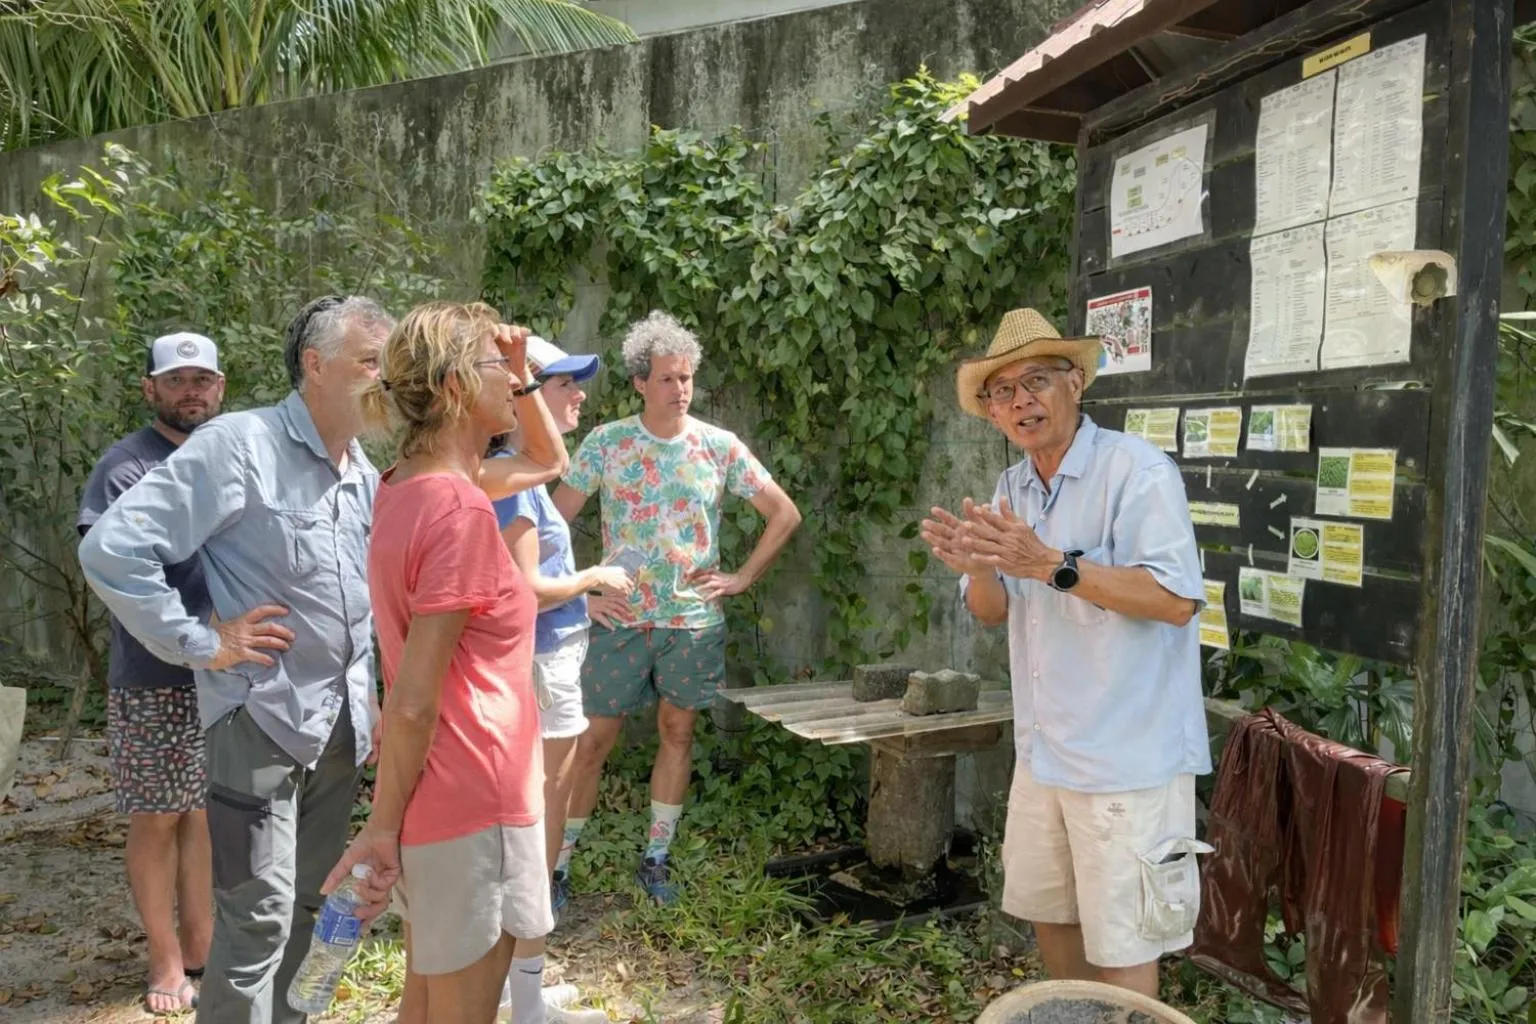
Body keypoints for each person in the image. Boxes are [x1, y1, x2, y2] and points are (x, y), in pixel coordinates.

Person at [79, 295, 397, 1023]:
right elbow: (113, 548)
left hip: (340, 728)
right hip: (259, 716)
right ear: (315, 366)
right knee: (256, 918)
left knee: (313, 906)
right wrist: (201, 642)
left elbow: (357, 599)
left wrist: (370, 693)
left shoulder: (362, 468)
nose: (386, 378)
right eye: (370, 362)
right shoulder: (238, 445)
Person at [919, 307, 1211, 1000]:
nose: (1021, 399)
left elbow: (1174, 599)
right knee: (1053, 912)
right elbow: (990, 611)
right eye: (1003, 390)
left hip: (1126, 756)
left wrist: (1053, 564)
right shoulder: (1011, 488)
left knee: (1125, 938)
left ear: (1076, 384)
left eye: (1039, 380)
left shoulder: (1137, 472)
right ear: (991, 412)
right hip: (1046, 750)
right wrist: (984, 567)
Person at [326, 301, 602, 1024]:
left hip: (441, 795)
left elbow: (550, 462)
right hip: (473, 796)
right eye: (495, 369)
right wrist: (380, 828)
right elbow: (414, 698)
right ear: (452, 389)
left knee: (422, 1004)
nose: (515, 383)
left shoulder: (411, 487)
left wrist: (518, 374)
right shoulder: (461, 511)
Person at [553, 310, 802, 904]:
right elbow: (550, 526)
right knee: (590, 743)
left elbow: (784, 513)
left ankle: (656, 859)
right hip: (619, 617)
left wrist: (741, 576)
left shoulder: (718, 446)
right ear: (640, 383)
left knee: (678, 732)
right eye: (667, 378)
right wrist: (580, 597)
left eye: (686, 377)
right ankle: (557, 865)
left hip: (691, 622)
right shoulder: (607, 442)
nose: (680, 389)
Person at [76, 332, 225, 1015]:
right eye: (177, 379)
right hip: (155, 672)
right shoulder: (125, 468)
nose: (191, 390)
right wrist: (189, 635)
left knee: (202, 812)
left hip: (227, 670)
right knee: (158, 815)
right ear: (151, 389)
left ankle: (203, 949)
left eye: (203, 379)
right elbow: (108, 569)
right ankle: (165, 960)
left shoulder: (229, 458)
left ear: (220, 388)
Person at [493, 337, 632, 929]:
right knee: (543, 802)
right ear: (522, 397)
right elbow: (523, 591)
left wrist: (582, 596)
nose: (579, 395)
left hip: (551, 652)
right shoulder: (512, 481)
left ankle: (524, 964)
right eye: (563, 385)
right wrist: (592, 578)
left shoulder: (519, 475)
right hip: (540, 662)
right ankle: (525, 949)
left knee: (544, 798)